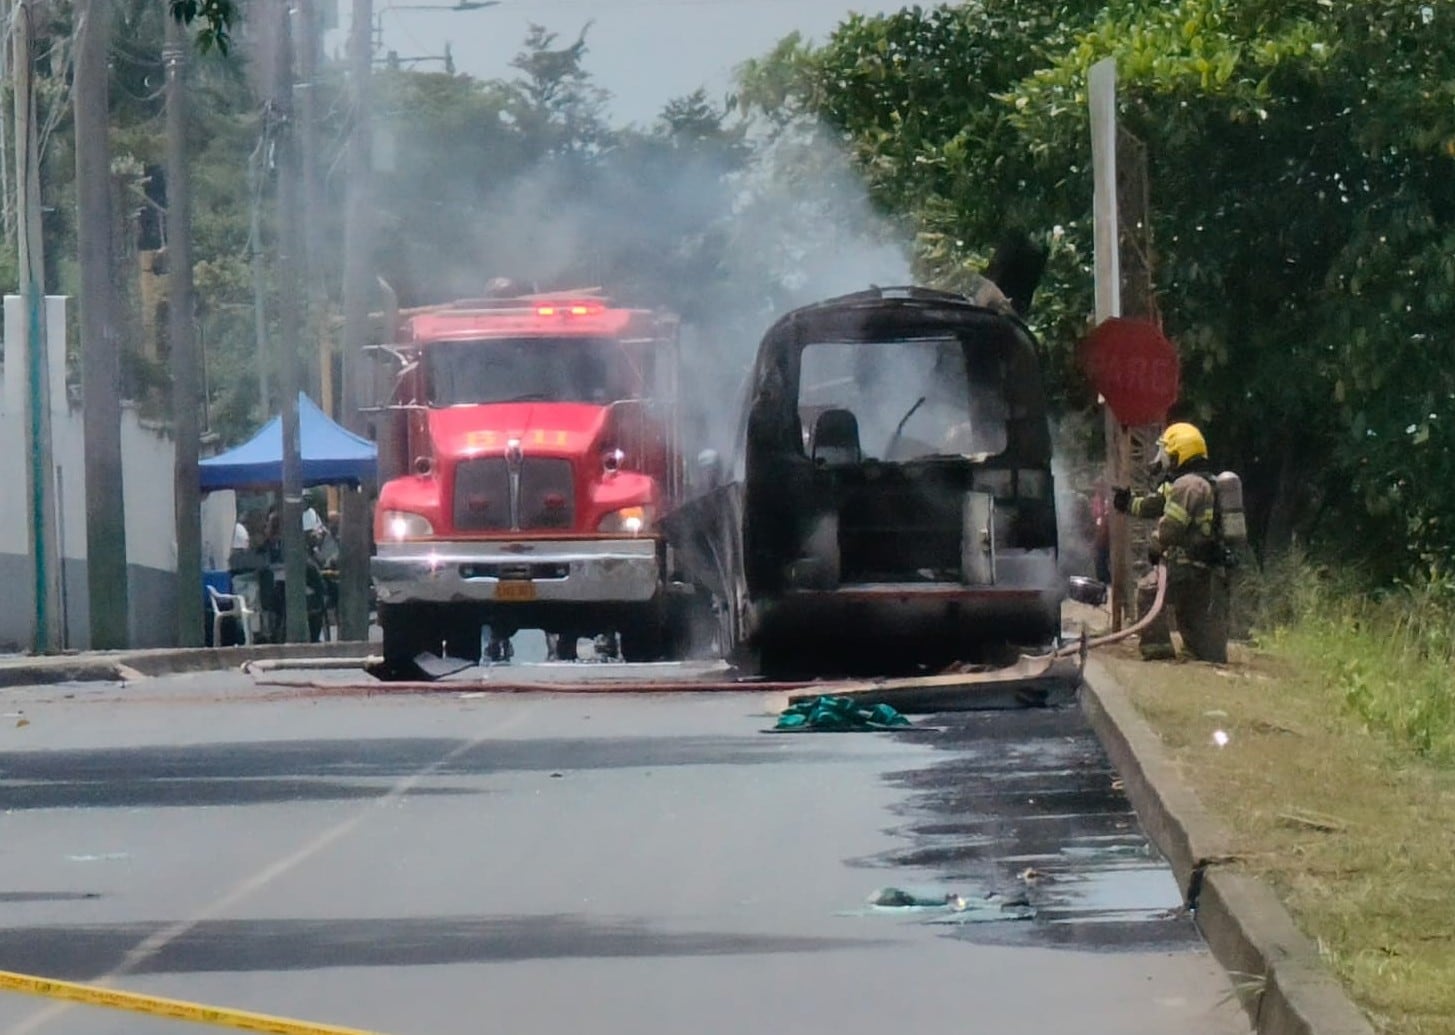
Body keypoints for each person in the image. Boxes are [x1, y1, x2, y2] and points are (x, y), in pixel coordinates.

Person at [1113, 422, 1232, 663]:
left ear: (1180, 452)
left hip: (1185, 564)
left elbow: (1172, 526)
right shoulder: (1199, 483)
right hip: (1205, 569)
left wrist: (1156, 547)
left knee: (1148, 592)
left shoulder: (1186, 485)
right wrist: (1128, 503)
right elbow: (1154, 505)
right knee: (1193, 615)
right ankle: (1205, 652)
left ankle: (1158, 651)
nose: (1162, 458)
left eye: (1166, 452)